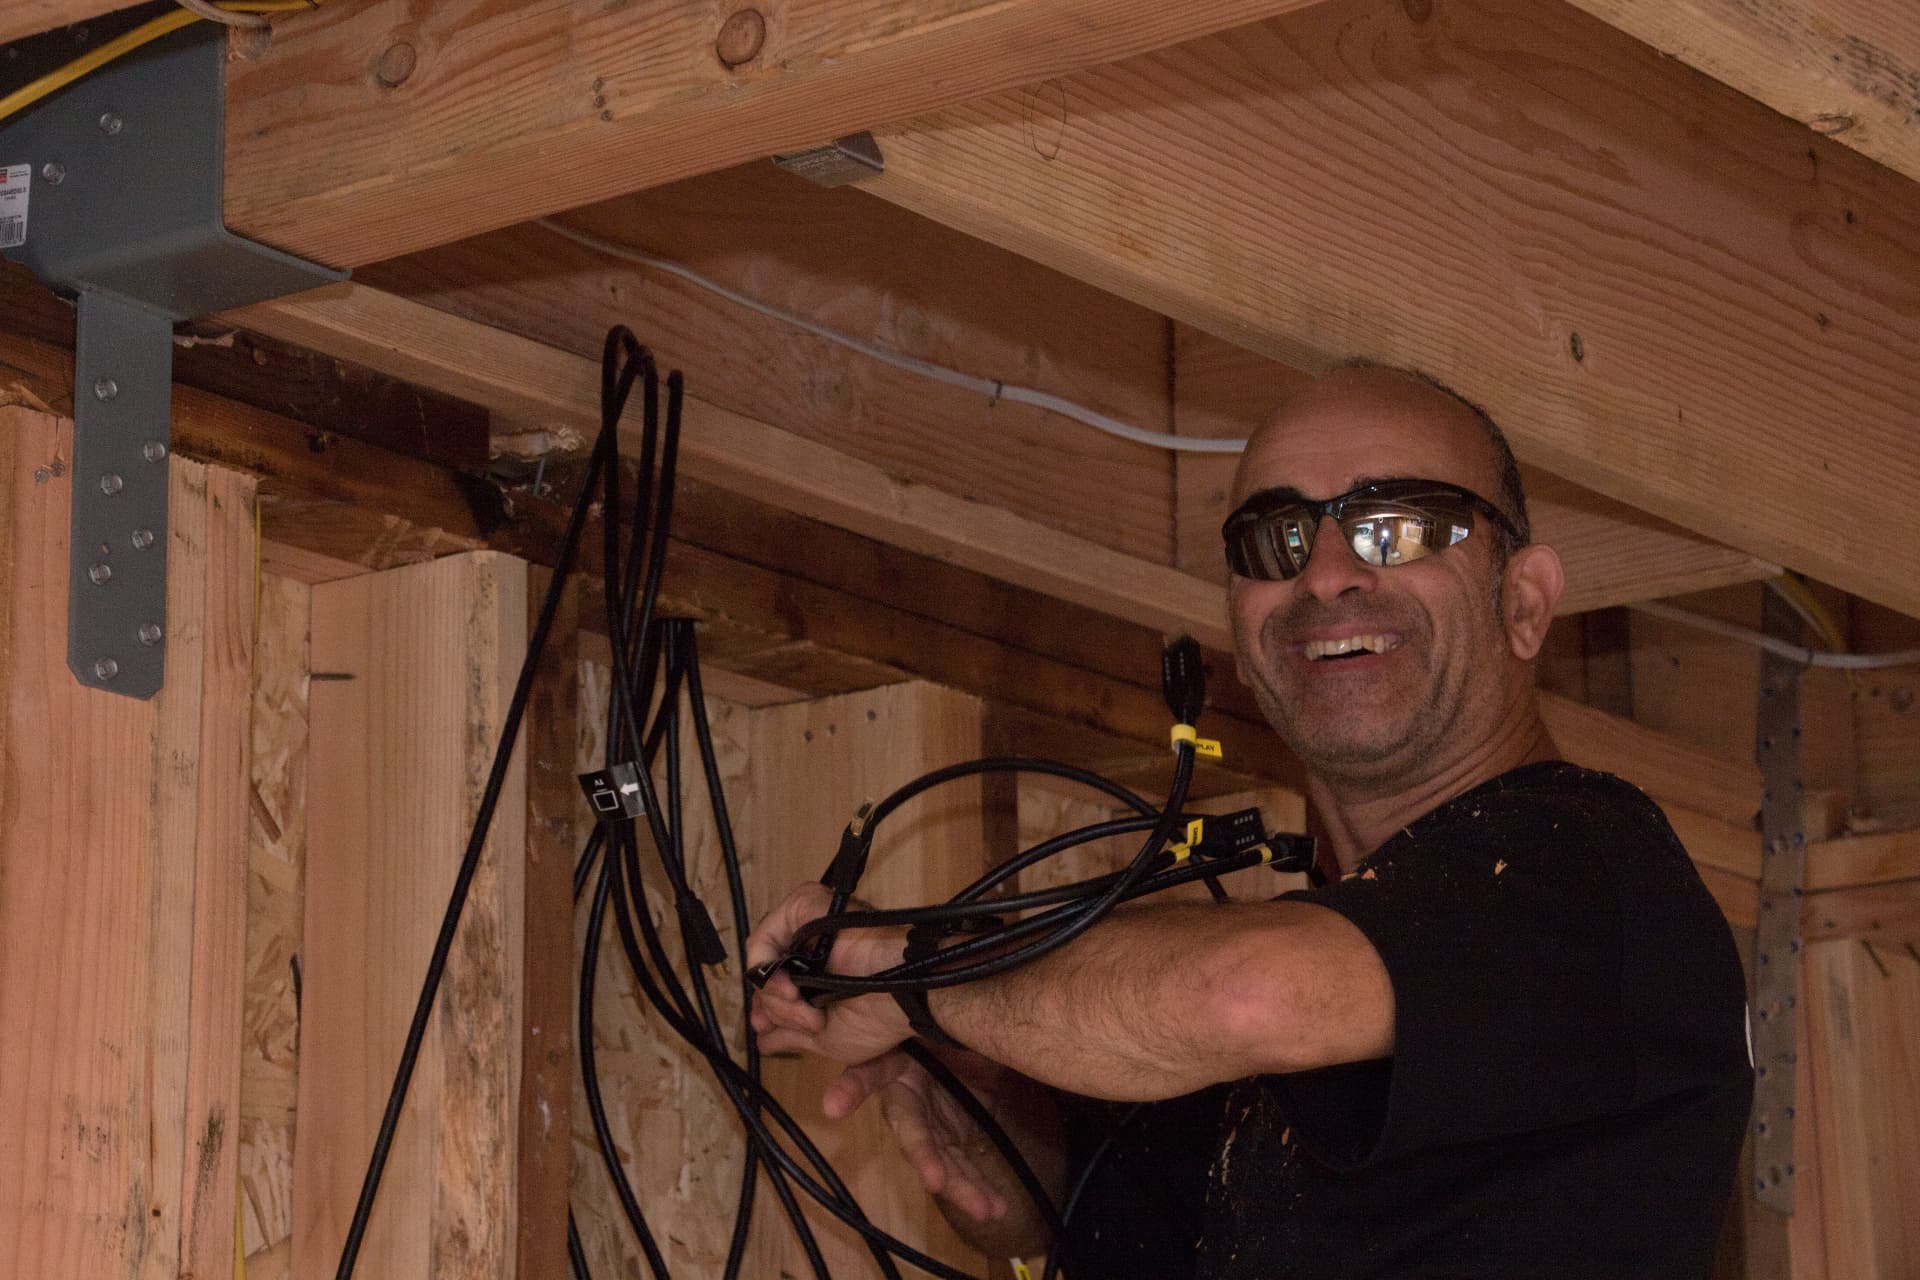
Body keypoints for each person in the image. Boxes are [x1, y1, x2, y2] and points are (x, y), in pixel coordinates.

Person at [747, 364, 1753, 1278]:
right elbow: (1096, 1209)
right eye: (1278, 539)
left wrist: (919, 976)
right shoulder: (1309, 1003)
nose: (1325, 573)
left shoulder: (1591, 867)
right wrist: (984, 1111)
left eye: (1398, 526)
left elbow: (1244, 994)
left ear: (1525, 603)